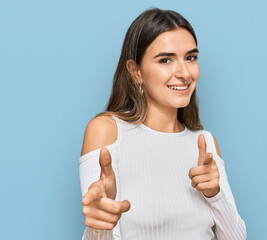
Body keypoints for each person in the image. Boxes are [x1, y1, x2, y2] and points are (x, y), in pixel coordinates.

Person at [79, 7, 247, 240]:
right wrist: (100, 226)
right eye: (166, 60)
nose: (184, 73)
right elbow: (101, 224)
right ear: (135, 71)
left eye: (191, 58)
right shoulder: (107, 132)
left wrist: (215, 195)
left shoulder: (204, 144)